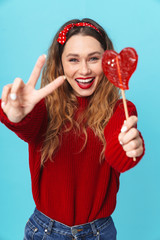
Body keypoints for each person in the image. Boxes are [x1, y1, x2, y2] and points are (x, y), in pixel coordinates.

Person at [0, 18, 145, 240]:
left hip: (99, 232)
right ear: (61, 64)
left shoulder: (120, 110)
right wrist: (16, 115)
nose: (84, 70)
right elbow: (27, 126)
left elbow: (119, 156)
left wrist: (130, 147)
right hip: (45, 231)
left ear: (106, 61)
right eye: (74, 59)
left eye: (94, 58)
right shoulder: (44, 107)